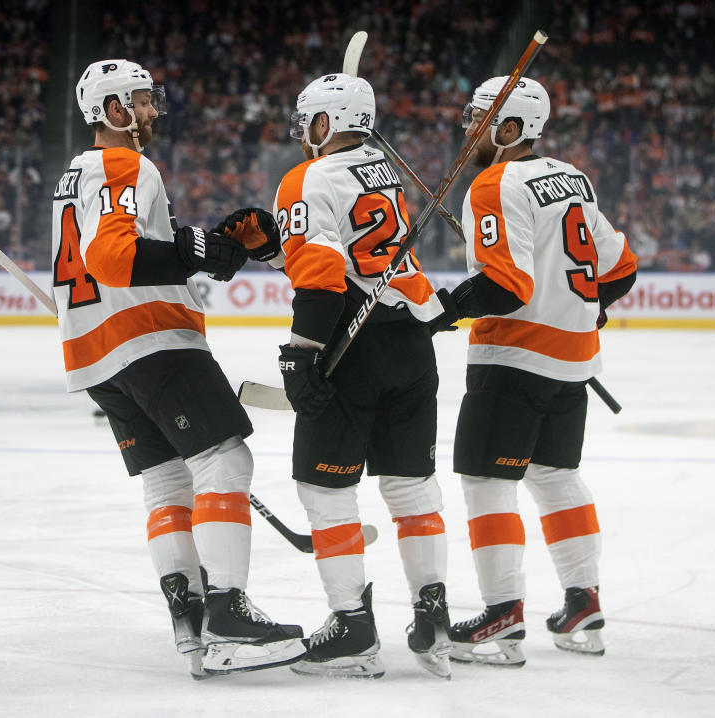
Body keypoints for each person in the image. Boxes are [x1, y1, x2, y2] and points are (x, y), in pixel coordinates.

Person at [52, 58, 302, 678]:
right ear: (112, 110)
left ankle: (189, 618)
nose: (151, 110)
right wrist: (198, 251)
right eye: (139, 101)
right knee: (225, 458)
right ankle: (229, 617)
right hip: (151, 335)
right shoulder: (123, 161)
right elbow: (114, 259)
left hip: (98, 353)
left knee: (167, 482)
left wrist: (203, 245)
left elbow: (109, 251)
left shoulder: (74, 173)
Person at [432, 76, 638, 666]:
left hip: (514, 358)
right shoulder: (572, 177)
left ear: (511, 127)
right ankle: (583, 602)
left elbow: (506, 284)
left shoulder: (493, 182)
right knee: (555, 475)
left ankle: (501, 614)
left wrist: (441, 310)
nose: (469, 129)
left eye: (479, 119)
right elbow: (620, 269)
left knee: (486, 480)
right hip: (572, 361)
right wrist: (586, 311)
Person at [270, 72, 453, 679]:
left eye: (308, 120)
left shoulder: (307, 177)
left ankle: (352, 627)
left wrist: (302, 353)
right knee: (410, 487)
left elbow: (321, 275)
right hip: (411, 343)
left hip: (352, 345)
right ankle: (434, 614)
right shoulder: (384, 170)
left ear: (325, 122)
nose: (303, 132)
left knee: (325, 490)